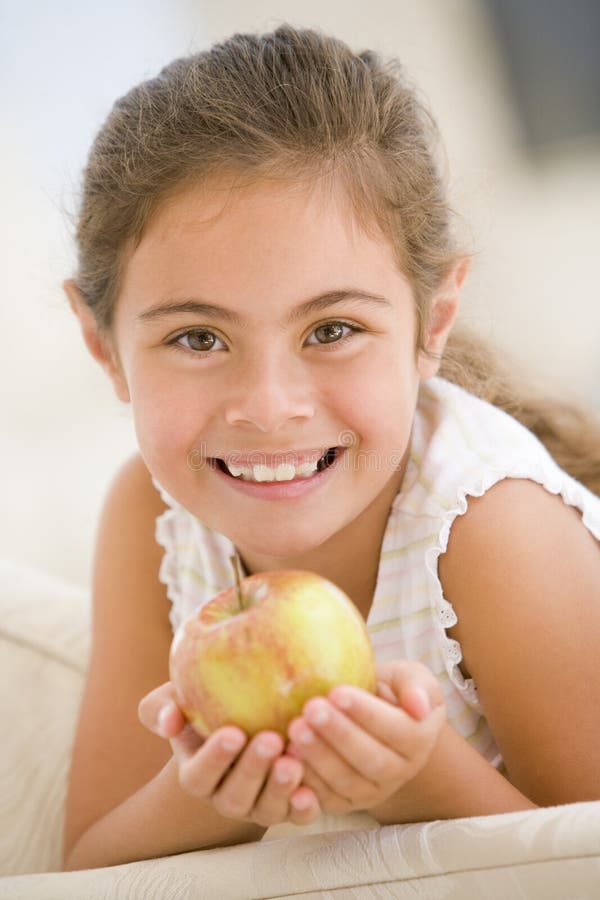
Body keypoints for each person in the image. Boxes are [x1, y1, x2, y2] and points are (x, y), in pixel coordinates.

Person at [61, 24, 600, 871]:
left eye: (333, 329)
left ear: (434, 321)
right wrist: (206, 795)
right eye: (199, 339)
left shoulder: (495, 533)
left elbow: (581, 865)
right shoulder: (151, 514)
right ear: (104, 347)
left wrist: (422, 779)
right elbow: (87, 867)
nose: (269, 408)